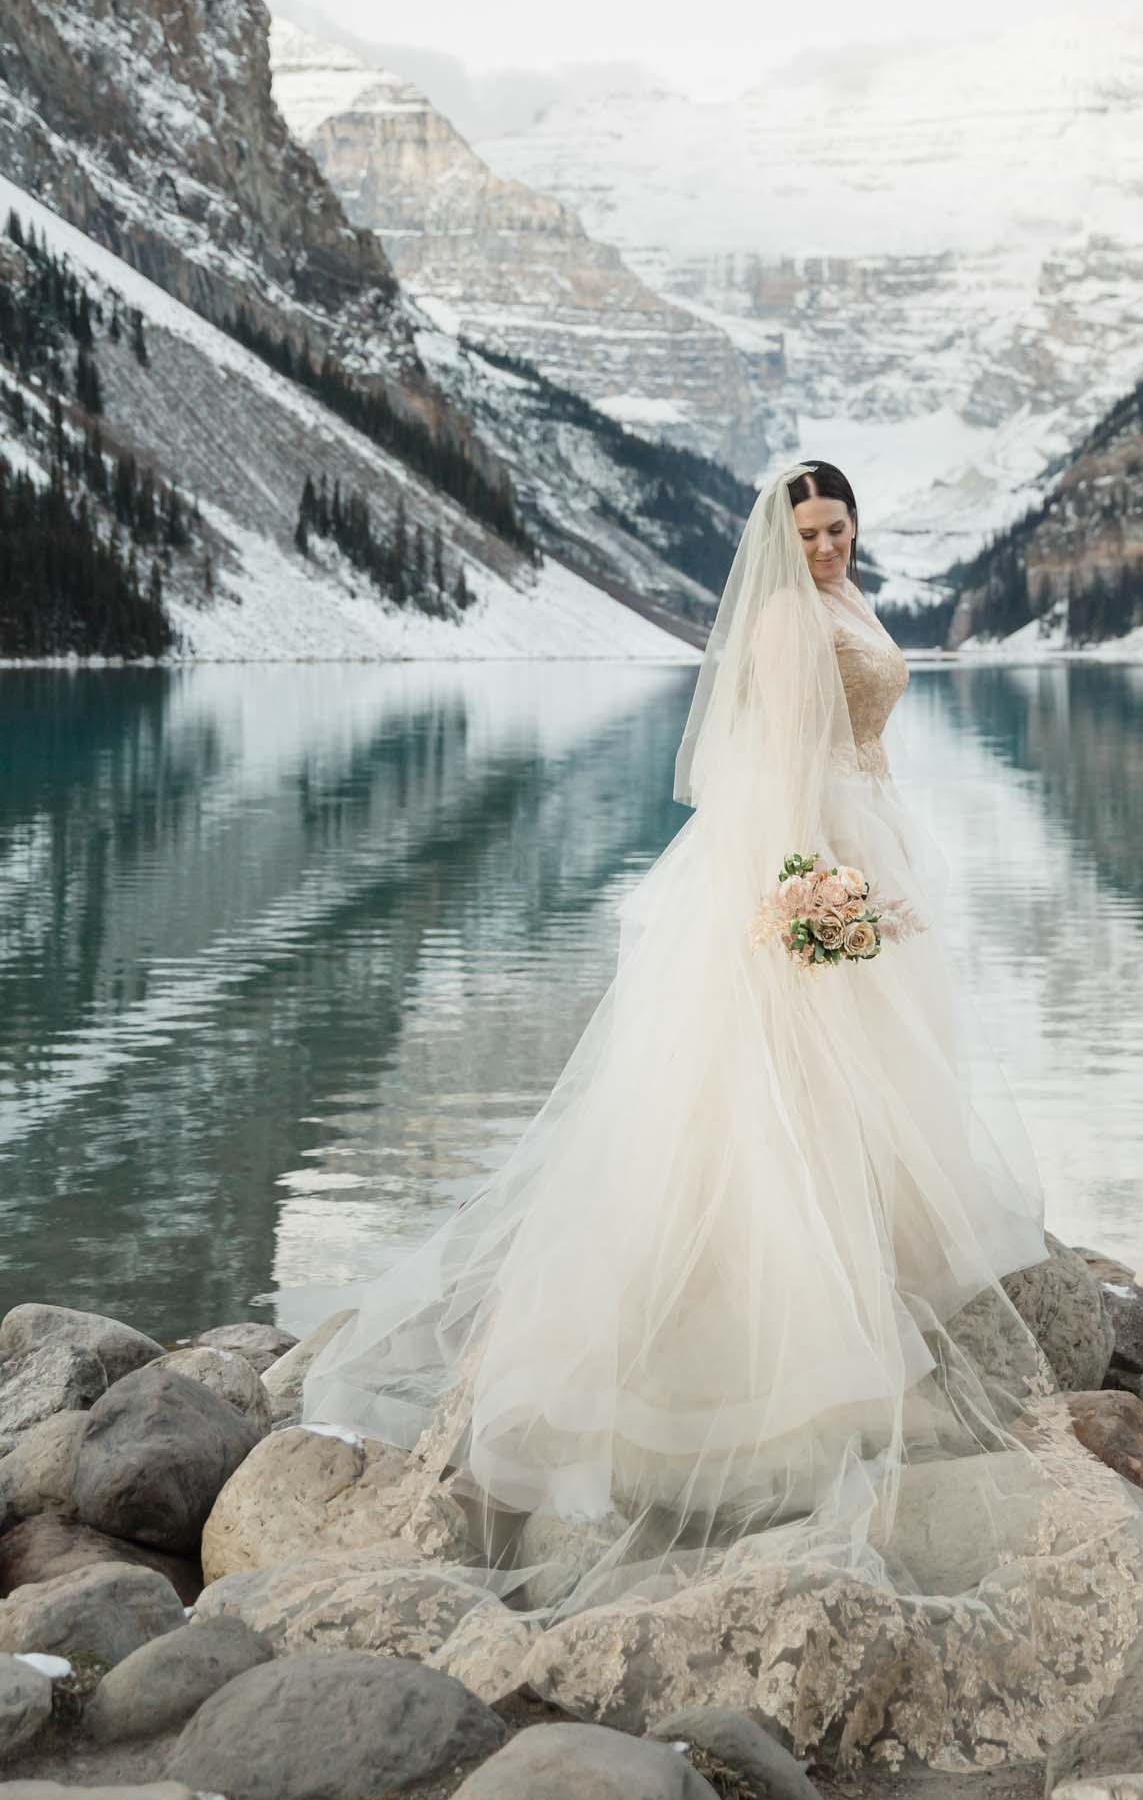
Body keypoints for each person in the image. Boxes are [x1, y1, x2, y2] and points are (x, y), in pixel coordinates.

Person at [301, 459, 1058, 1620]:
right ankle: (750, 1378)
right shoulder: (780, 624)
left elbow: (862, 749)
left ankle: (877, 1296)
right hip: (804, 866)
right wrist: (819, 895)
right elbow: (776, 777)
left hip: (866, 845)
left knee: (871, 1094)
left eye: (838, 526)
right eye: (805, 531)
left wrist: (888, 857)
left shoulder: (848, 603)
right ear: (778, 534)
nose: (823, 548)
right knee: (775, 1107)